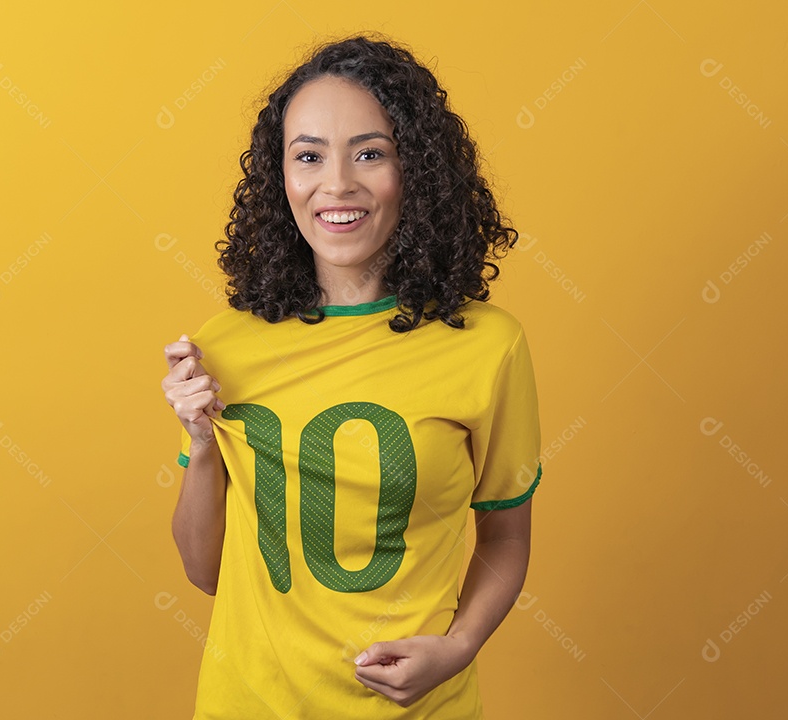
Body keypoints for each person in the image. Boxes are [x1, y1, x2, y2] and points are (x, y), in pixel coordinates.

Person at [160, 33, 542, 719]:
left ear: (416, 171)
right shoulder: (224, 347)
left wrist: (458, 647)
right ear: (281, 177)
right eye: (309, 156)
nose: (337, 184)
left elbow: (506, 538)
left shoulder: (488, 346)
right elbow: (204, 570)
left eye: (371, 153)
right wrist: (198, 438)